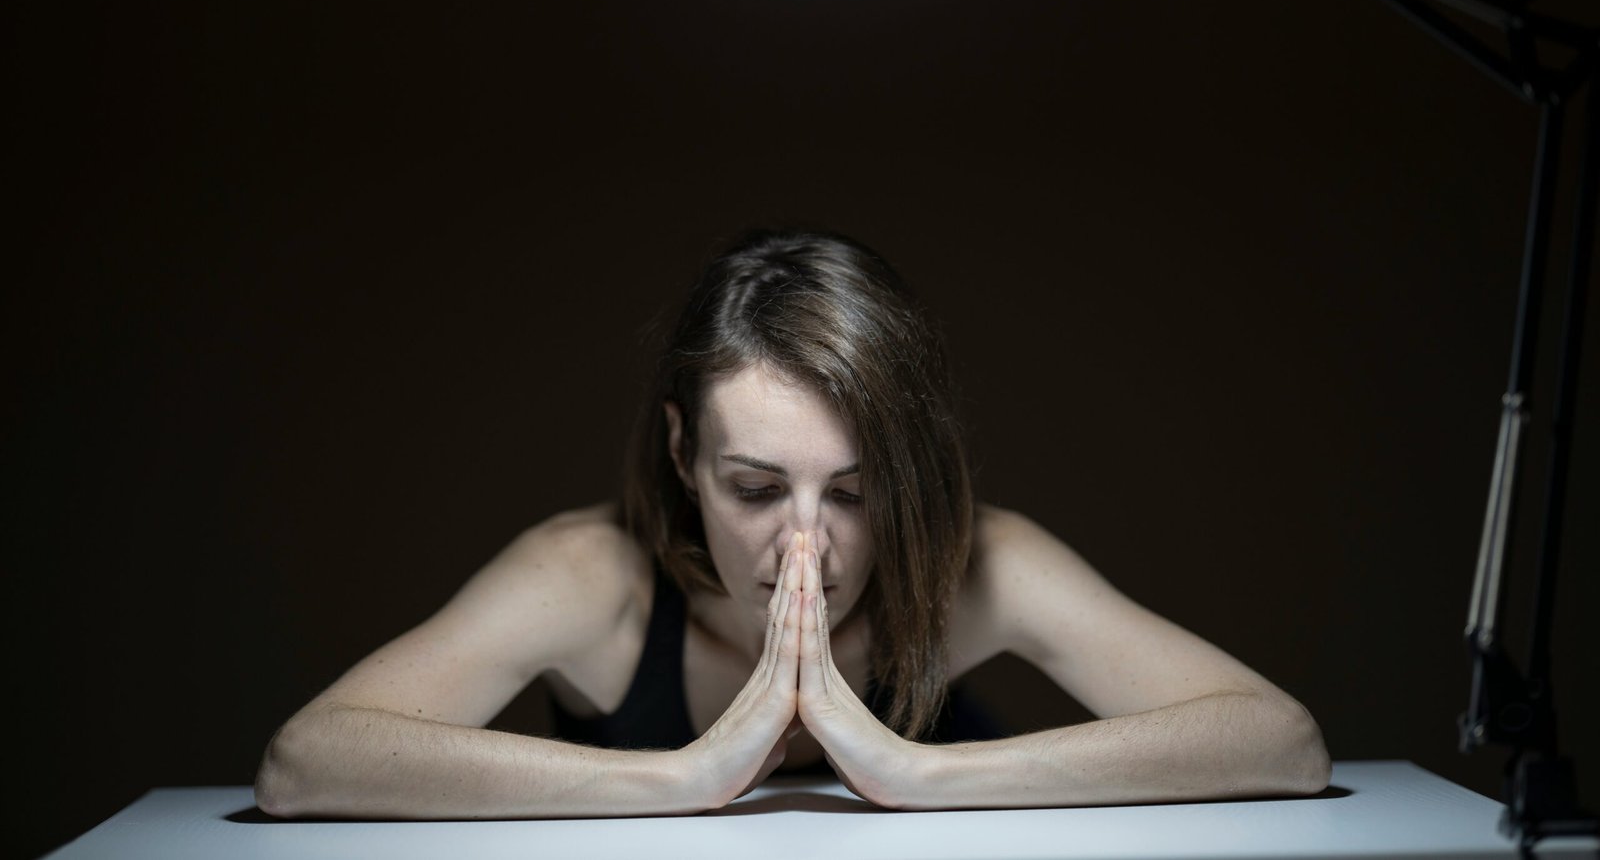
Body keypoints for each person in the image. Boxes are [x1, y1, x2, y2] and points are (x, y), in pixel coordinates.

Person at [253, 227, 1331, 818]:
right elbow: (308, 761)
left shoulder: (978, 562)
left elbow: (1278, 741)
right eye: (757, 487)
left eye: (855, 490)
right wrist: (686, 775)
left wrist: (915, 772)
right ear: (682, 454)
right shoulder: (592, 574)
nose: (805, 542)